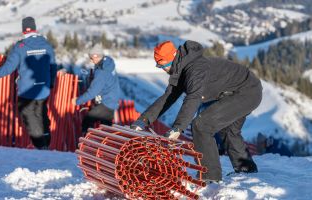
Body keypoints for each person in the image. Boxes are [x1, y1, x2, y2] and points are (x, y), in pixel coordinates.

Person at [131, 40, 263, 182]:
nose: (163, 69)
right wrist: (142, 121)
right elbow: (167, 98)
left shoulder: (195, 69)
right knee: (229, 131)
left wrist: (178, 128)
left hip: (247, 91)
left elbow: (193, 98)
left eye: (163, 65)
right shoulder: (181, 69)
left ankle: (210, 176)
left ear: (172, 60)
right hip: (239, 90)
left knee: (202, 125)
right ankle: (246, 169)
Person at [0, 16, 57, 150]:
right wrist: (51, 83)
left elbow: (8, 69)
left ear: (24, 30)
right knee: (41, 113)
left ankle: (40, 146)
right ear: (35, 29)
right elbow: (53, 67)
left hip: (27, 90)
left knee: (29, 117)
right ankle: (46, 141)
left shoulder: (20, 47)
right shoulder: (46, 45)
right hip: (44, 89)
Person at [71, 44, 120, 136]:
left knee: (87, 120)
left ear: (96, 56)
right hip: (112, 101)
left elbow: (92, 92)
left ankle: (86, 144)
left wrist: (77, 101)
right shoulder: (108, 64)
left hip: (106, 103)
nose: (91, 60)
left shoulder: (101, 71)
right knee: (106, 129)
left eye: (91, 57)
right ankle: (105, 147)